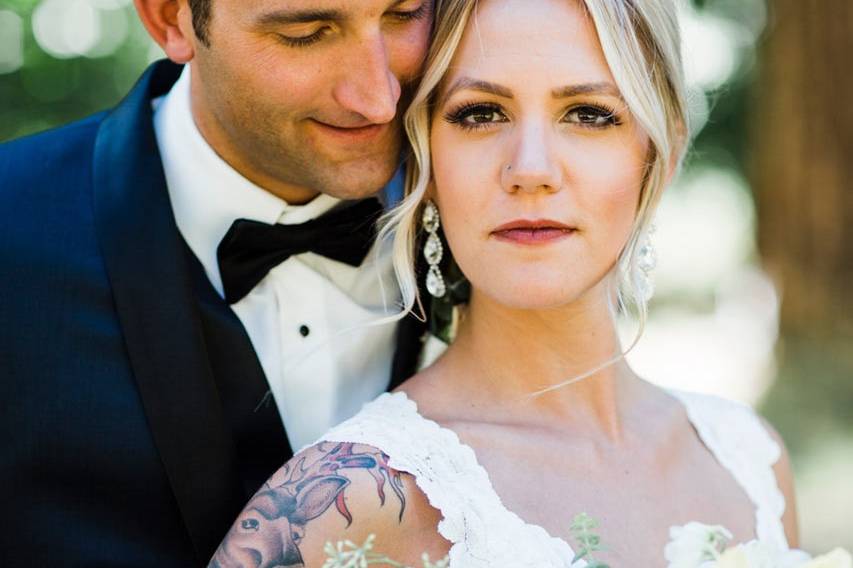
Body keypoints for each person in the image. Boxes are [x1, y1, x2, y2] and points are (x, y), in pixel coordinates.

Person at [212, 0, 800, 566]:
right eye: (480, 114)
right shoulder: (354, 499)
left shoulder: (749, 459)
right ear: (427, 162)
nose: (531, 170)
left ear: (661, 154)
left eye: (589, 114)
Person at [0, 1, 436, 565]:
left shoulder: (512, 222)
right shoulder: (13, 234)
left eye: (405, 14)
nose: (378, 97)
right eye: (306, 34)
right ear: (170, 20)